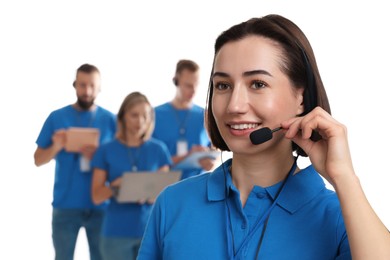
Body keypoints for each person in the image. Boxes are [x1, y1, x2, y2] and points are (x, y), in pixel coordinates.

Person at [137, 14, 390, 259]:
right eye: (223, 86)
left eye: (257, 84)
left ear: (301, 97)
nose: (234, 106)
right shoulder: (172, 203)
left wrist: (343, 177)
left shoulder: (340, 217)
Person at [34, 63, 116, 260]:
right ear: (74, 85)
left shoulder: (111, 121)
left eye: (91, 85)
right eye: (82, 85)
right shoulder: (57, 118)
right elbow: (37, 160)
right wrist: (56, 146)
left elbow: (119, 165)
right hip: (65, 205)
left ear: (99, 87)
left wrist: (98, 157)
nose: (87, 91)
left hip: (100, 206)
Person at [91, 91, 172, 260]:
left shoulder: (159, 150)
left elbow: (165, 195)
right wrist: (116, 186)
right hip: (116, 235)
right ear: (122, 117)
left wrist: (150, 194)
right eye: (134, 115)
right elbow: (96, 196)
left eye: (145, 116)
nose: (140, 122)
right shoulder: (106, 150)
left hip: (150, 233)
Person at [152, 59, 217, 180]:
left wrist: (209, 161)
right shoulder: (154, 115)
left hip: (197, 187)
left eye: (196, 85)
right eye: (188, 85)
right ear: (176, 81)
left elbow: (214, 152)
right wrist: (188, 156)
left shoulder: (206, 116)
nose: (193, 91)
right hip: (164, 187)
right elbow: (150, 162)